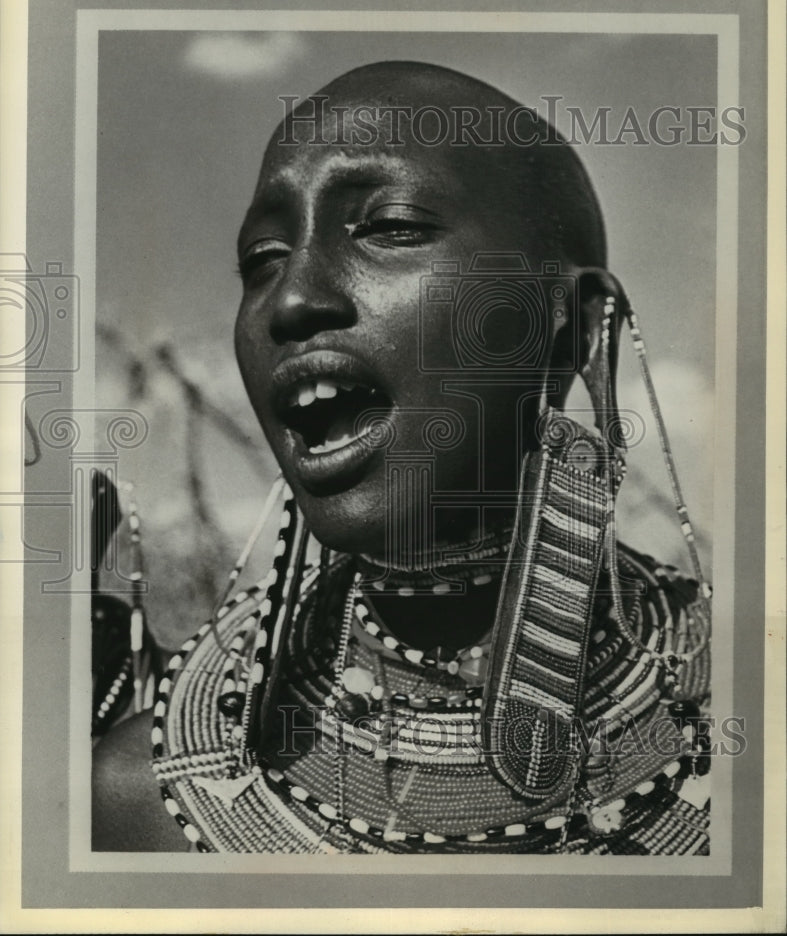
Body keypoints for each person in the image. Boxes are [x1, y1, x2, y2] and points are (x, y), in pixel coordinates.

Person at [92, 60, 711, 854]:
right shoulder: (144, 796)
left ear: (573, 329)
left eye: (389, 227)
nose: (290, 300)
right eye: (261, 259)